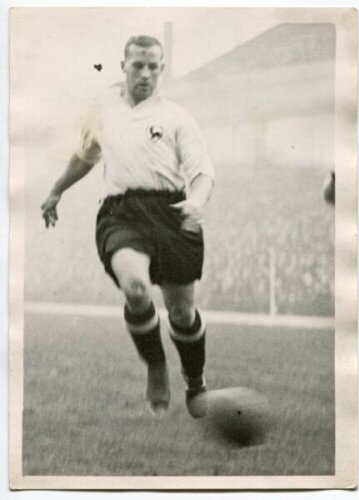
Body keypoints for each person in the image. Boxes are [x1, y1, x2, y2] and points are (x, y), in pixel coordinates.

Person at [41, 35, 215, 418]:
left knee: (182, 314)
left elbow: (201, 172)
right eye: (138, 65)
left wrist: (197, 201)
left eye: (154, 66)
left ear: (162, 70)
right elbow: (85, 155)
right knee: (136, 289)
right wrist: (56, 190)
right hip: (122, 212)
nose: (146, 73)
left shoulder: (177, 117)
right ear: (123, 67)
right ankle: (155, 364)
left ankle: (195, 379)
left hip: (172, 211)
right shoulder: (104, 112)